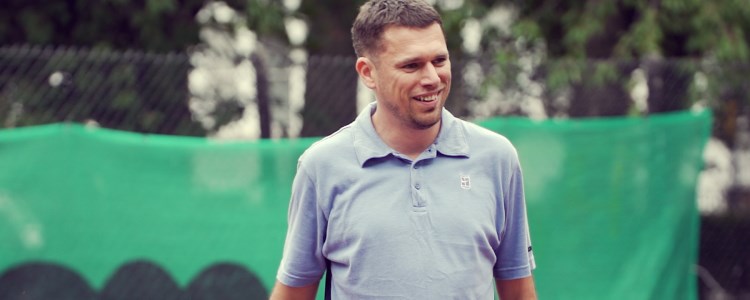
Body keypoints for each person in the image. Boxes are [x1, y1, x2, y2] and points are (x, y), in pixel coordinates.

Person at [270, 0, 536, 298]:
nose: (432, 79)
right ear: (368, 72)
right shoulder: (321, 166)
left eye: (439, 60)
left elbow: (519, 291)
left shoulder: (497, 158)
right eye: (411, 65)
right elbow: (294, 293)